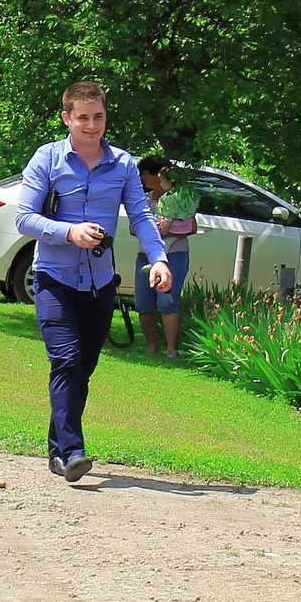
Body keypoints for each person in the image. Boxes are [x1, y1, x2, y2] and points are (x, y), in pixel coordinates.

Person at [14, 80, 169, 483]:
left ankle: (58, 451)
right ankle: (74, 450)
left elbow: (141, 216)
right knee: (65, 360)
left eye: (98, 117)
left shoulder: (121, 164)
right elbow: (24, 218)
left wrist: (159, 259)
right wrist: (69, 232)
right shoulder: (47, 159)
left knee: (81, 370)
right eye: (82, 117)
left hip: (100, 284)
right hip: (54, 278)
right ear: (67, 118)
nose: (91, 125)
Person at [136, 156, 198, 358]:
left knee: (167, 302)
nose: (142, 178)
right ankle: (152, 348)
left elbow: (192, 227)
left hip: (175, 254)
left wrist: (168, 233)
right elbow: (133, 227)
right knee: (144, 304)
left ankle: (172, 349)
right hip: (145, 255)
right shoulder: (145, 200)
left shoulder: (179, 198)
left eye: (145, 173)